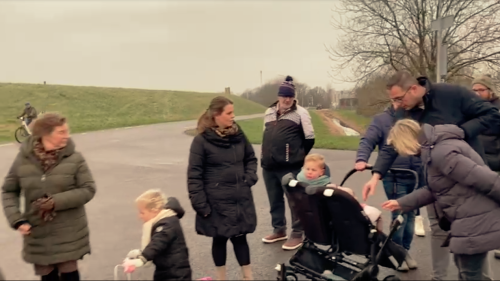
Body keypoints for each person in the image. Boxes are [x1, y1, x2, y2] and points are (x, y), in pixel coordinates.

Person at [361, 71, 500, 280]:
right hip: (440, 183)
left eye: (399, 98)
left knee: (472, 245)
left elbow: (492, 116)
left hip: (467, 182)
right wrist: (377, 176)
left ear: (414, 88)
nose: (397, 105)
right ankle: (439, 277)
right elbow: (393, 143)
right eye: (393, 100)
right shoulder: (405, 113)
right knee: (442, 233)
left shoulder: (452, 95)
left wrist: (461, 132)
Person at [382, 119, 500, 280]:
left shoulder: (442, 153)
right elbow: (434, 189)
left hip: (474, 219)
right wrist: (402, 203)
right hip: (467, 218)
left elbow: (485, 179)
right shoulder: (433, 151)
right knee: (467, 271)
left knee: (470, 274)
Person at [1, 112, 96, 281]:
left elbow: (88, 189)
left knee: (70, 275)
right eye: (61, 132)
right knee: (47, 277)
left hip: (68, 232)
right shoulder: (23, 159)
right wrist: (17, 219)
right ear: (45, 134)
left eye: (67, 131)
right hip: (37, 233)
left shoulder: (75, 159)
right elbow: (8, 191)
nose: (67, 136)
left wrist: (55, 202)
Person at [187, 96, 258, 280]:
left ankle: (248, 277)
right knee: (219, 239)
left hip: (239, 198)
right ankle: (221, 278)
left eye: (233, 112)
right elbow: (194, 176)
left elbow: (250, 158)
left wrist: (249, 178)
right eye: (229, 113)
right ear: (217, 115)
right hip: (216, 202)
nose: (233, 116)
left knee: (240, 238)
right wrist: (200, 205)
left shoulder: (238, 134)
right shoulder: (201, 141)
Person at [355, 101, 424, 254]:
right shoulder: (381, 120)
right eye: (397, 99)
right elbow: (368, 140)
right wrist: (361, 158)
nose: (402, 102)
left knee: (410, 214)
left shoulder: (419, 116)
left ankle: (405, 252)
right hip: (394, 175)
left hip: (417, 174)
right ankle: (397, 253)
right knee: (399, 215)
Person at [261, 75, 316, 250]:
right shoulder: (269, 112)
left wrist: (297, 155)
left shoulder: (300, 113)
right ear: (278, 96)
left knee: (294, 200)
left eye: (290, 96)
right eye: (284, 96)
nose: (287, 99)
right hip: (269, 166)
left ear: (294, 97)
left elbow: (310, 138)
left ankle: (297, 233)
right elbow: (266, 135)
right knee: (274, 199)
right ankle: (279, 230)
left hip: (290, 166)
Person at [122, 190, 192, 281]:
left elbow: (157, 244)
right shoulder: (165, 221)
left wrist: (141, 259)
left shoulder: (166, 225)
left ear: (154, 210)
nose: (140, 216)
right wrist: (140, 253)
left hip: (176, 274)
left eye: (142, 212)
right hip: (167, 271)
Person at [471, 75, 500, 260]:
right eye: (474, 90)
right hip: (477, 162)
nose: (477, 93)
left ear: (490, 91)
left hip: (495, 162)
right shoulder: (471, 110)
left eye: (480, 90)